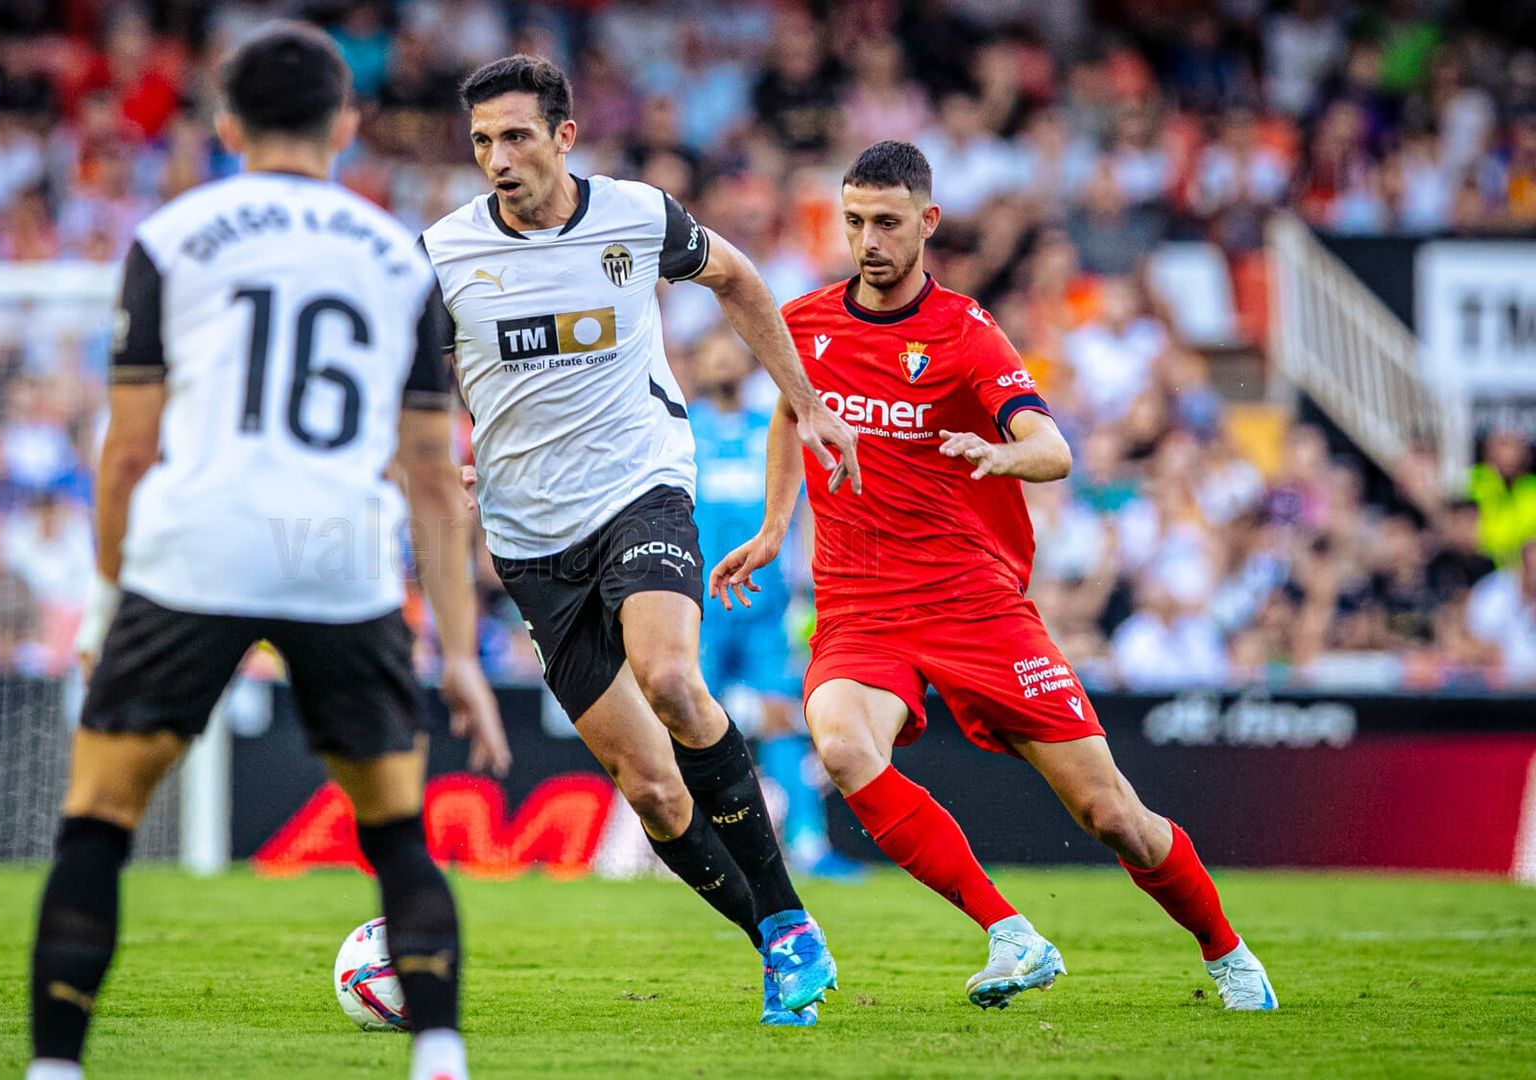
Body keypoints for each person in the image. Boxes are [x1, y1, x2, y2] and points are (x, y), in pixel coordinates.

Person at [27, 25, 511, 1080]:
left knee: (99, 821)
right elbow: (434, 475)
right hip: (335, 555)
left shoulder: (172, 237)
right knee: (394, 833)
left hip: (196, 552)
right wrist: (462, 655)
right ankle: (439, 1056)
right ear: (347, 125)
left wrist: (107, 614)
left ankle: (54, 1068)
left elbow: (128, 454)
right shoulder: (398, 255)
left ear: (227, 125)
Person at [711, 141, 1277, 1012]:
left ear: (927, 223)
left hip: (974, 604)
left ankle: (1227, 951)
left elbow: (1054, 449)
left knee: (1112, 815)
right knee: (841, 743)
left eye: (887, 223)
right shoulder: (808, 322)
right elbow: (795, 413)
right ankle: (1011, 932)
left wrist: (1000, 452)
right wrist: (774, 525)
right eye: (855, 220)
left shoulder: (967, 334)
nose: (868, 240)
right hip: (859, 605)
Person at [421, 55, 859, 1025]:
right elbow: (405, 383)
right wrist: (435, 455)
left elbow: (740, 283)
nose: (498, 157)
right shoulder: (442, 253)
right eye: (483, 139)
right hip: (529, 537)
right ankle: (775, 942)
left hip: (642, 487)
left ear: (564, 136)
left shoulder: (636, 216)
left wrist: (807, 401)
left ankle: (787, 917)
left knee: (669, 677)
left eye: (518, 136)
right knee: (651, 789)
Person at [689, 330, 861, 881]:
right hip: (702, 603)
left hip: (766, 606)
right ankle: (689, 846)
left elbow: (808, 509)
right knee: (688, 722)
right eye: (711, 353)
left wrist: (814, 585)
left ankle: (809, 843)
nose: (720, 361)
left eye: (728, 352)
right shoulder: (683, 428)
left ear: (745, 363)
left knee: (785, 722)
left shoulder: (775, 425)